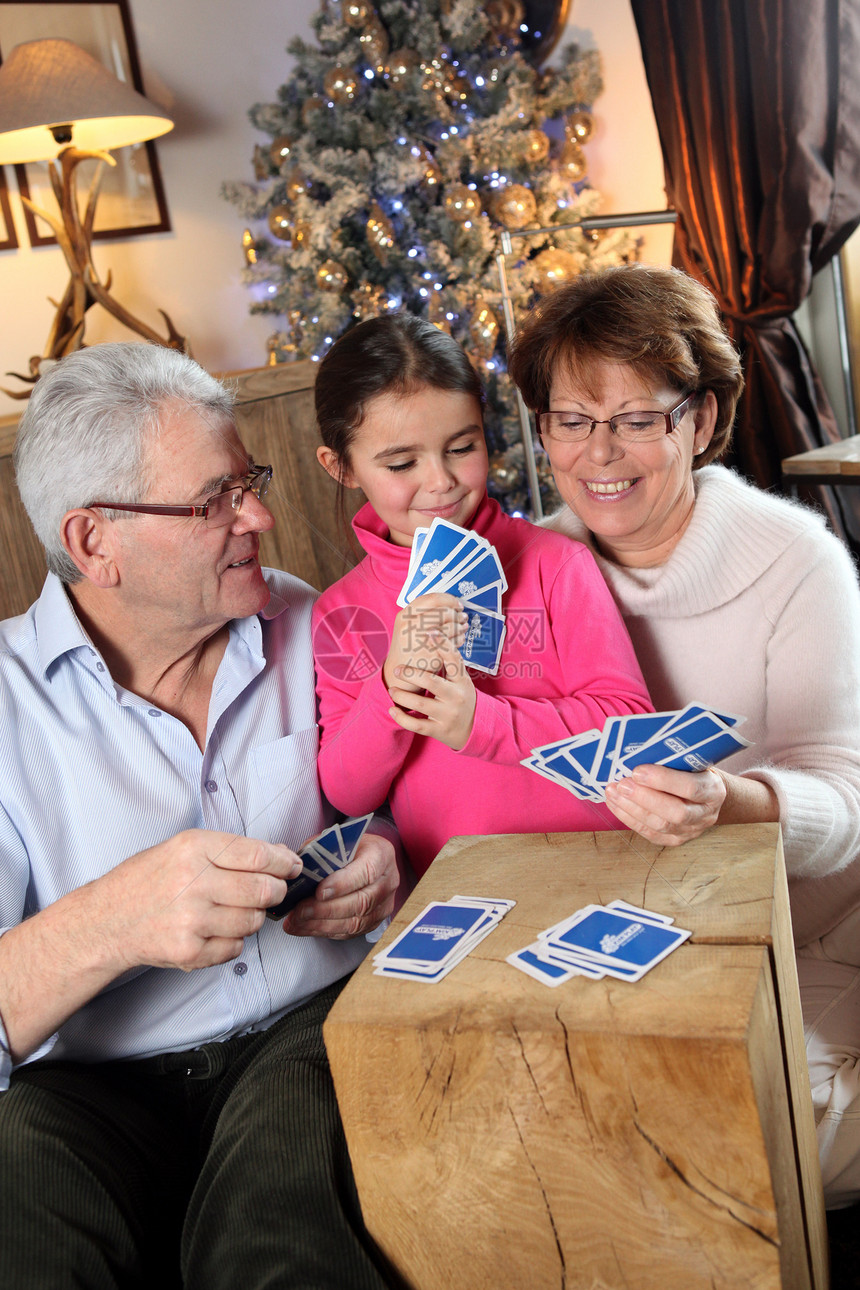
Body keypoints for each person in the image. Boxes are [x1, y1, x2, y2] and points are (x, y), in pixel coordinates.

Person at [0, 341, 404, 1289]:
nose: (259, 516)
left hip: (302, 1035)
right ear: (95, 542)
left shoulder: (310, 620)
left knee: (279, 1248)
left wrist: (386, 852)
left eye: (249, 482)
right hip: (81, 1091)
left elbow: (397, 795)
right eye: (212, 500)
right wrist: (112, 918)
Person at [507, 261, 860, 1208]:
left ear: (700, 421)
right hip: (640, 928)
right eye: (571, 420)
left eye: (636, 418)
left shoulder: (800, 563)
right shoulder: (528, 569)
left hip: (814, 916)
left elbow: (846, 799)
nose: (599, 454)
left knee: (766, 1154)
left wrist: (730, 803)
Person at [310, 312, 652, 876]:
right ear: (341, 467)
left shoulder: (555, 563)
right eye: (401, 463)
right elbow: (348, 793)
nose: (441, 481)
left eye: (462, 448)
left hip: (602, 871)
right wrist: (391, 693)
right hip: (456, 895)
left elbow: (627, 721)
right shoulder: (341, 612)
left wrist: (483, 724)